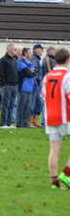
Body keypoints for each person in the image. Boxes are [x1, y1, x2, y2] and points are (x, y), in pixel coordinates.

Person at [41, 47, 70, 189]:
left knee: (54, 150)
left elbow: (43, 96)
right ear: (68, 60)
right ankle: (66, 174)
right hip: (65, 116)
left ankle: (54, 182)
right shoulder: (67, 76)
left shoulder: (48, 76)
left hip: (50, 116)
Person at [0, 44, 19, 129]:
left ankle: (9, 123)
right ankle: (3, 123)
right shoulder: (3, 60)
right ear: (9, 50)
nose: (16, 51)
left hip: (14, 85)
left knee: (12, 104)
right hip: (7, 85)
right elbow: (1, 73)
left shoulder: (14, 60)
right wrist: (3, 84)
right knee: (5, 104)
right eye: (14, 49)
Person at [16, 47, 36, 128]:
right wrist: (31, 71)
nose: (31, 54)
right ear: (25, 54)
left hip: (30, 87)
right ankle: (19, 122)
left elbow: (36, 72)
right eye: (29, 52)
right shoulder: (20, 62)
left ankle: (25, 122)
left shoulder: (30, 63)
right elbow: (28, 73)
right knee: (21, 106)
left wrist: (31, 71)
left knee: (28, 106)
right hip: (23, 87)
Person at [30, 44, 45, 128]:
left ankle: (35, 121)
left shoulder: (36, 59)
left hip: (37, 85)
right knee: (33, 103)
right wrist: (38, 80)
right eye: (41, 49)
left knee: (38, 104)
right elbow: (34, 72)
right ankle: (30, 121)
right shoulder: (34, 59)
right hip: (34, 85)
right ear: (36, 50)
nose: (43, 51)